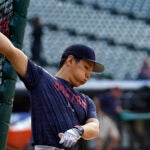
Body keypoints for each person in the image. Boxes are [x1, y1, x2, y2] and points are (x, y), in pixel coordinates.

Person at [0, 32, 104, 150]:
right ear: (70, 60)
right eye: (86, 67)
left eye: (90, 71)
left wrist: (78, 130)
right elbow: (11, 51)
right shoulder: (41, 79)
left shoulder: (86, 101)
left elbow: (95, 128)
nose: (88, 74)